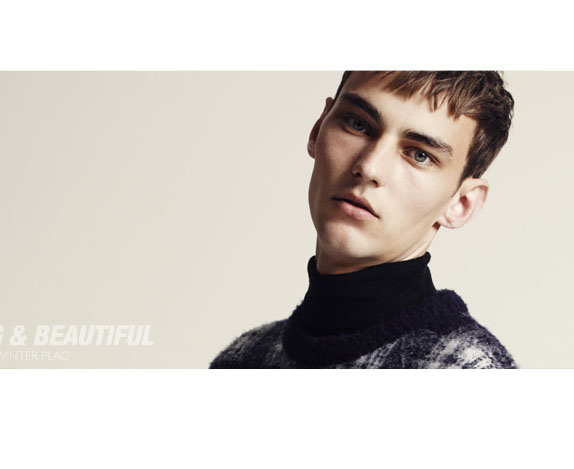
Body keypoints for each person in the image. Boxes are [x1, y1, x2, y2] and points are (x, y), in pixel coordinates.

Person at [210, 71, 518, 369]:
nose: (369, 167)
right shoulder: (243, 359)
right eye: (357, 125)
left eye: (419, 155)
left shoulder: (466, 369)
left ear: (461, 204)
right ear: (318, 129)